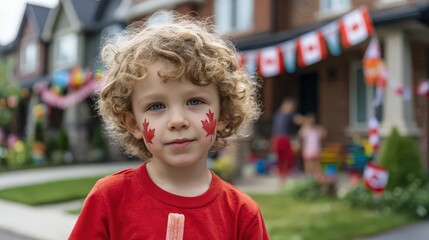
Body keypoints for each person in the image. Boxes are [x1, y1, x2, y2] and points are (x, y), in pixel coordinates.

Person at [69, 12, 269, 239]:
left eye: (195, 101)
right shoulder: (109, 199)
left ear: (222, 114)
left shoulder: (242, 214)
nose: (177, 121)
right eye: (156, 106)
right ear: (134, 123)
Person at [271, 98, 303, 185]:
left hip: (283, 138)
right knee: (282, 158)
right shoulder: (280, 114)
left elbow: (299, 120)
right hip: (280, 138)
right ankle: (282, 176)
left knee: (287, 158)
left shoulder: (286, 114)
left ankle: (284, 176)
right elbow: (299, 120)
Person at [298, 113, 327, 181]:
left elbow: (324, 134)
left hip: (315, 149)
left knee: (316, 164)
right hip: (308, 149)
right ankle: (309, 177)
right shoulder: (305, 129)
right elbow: (300, 135)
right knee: (308, 164)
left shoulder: (317, 129)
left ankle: (318, 177)